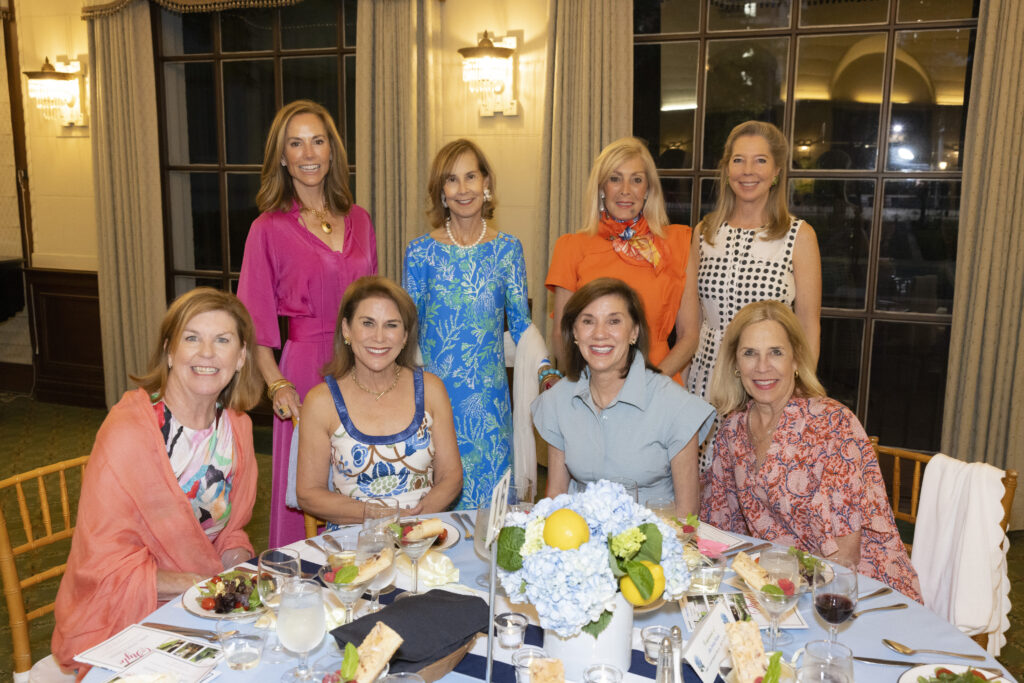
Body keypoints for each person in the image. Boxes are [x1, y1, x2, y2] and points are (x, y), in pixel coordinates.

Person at [51, 288, 263, 674]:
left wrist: (241, 573)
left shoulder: (237, 430)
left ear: (241, 356)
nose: (206, 353)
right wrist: (204, 585)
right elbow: (104, 569)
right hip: (126, 615)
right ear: (169, 351)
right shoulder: (129, 433)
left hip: (201, 603)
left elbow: (229, 533)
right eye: (192, 338)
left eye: (222, 340)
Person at [700, 300, 922, 601]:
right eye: (750, 353)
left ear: (795, 359)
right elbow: (719, 528)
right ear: (735, 364)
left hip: (859, 593)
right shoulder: (732, 431)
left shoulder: (832, 425)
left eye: (776, 352)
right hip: (777, 589)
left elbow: (846, 555)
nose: (762, 367)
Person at [238, 99, 377, 546]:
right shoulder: (267, 228)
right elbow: (254, 320)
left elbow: (375, 306)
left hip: (361, 368)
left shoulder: (360, 219)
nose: (309, 153)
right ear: (282, 157)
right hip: (301, 372)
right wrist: (276, 383)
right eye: (295, 144)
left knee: (362, 476)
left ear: (332, 151)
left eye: (318, 141)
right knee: (307, 487)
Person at [676, 120, 821, 471]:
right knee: (703, 487)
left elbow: (808, 327)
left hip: (766, 380)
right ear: (726, 168)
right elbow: (689, 330)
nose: (748, 171)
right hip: (706, 383)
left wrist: (799, 395)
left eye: (760, 161)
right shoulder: (704, 233)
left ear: (776, 172)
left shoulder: (798, 235)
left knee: (759, 485)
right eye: (738, 160)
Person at [403, 139, 532, 509]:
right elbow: (408, 331)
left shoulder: (509, 249)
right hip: (434, 401)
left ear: (486, 182)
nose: (463, 189)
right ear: (441, 192)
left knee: (490, 511)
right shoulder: (419, 252)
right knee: (435, 509)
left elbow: (522, 326)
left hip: (489, 404)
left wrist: (544, 373)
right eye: (452, 180)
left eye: (471, 176)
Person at [532, 278, 715, 513]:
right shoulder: (558, 400)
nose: (600, 333)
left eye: (614, 321)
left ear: (634, 332)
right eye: (588, 321)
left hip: (655, 544)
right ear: (575, 332)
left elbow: (687, 515)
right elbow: (557, 496)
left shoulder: (675, 405)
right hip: (579, 542)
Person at [296, 276, 462, 524]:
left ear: (405, 336)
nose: (379, 337)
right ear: (346, 329)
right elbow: (308, 494)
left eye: (392, 325)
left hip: (422, 532)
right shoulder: (321, 401)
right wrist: (376, 516)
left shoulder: (430, 389)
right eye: (368, 323)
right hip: (355, 540)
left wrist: (415, 521)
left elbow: (452, 476)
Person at [544, 137, 693, 386]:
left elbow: (689, 336)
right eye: (615, 179)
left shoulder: (678, 243)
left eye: (636, 179)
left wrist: (646, 384)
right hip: (593, 388)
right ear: (602, 188)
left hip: (658, 385)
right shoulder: (571, 246)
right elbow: (562, 334)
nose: (626, 189)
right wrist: (592, 386)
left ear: (648, 189)